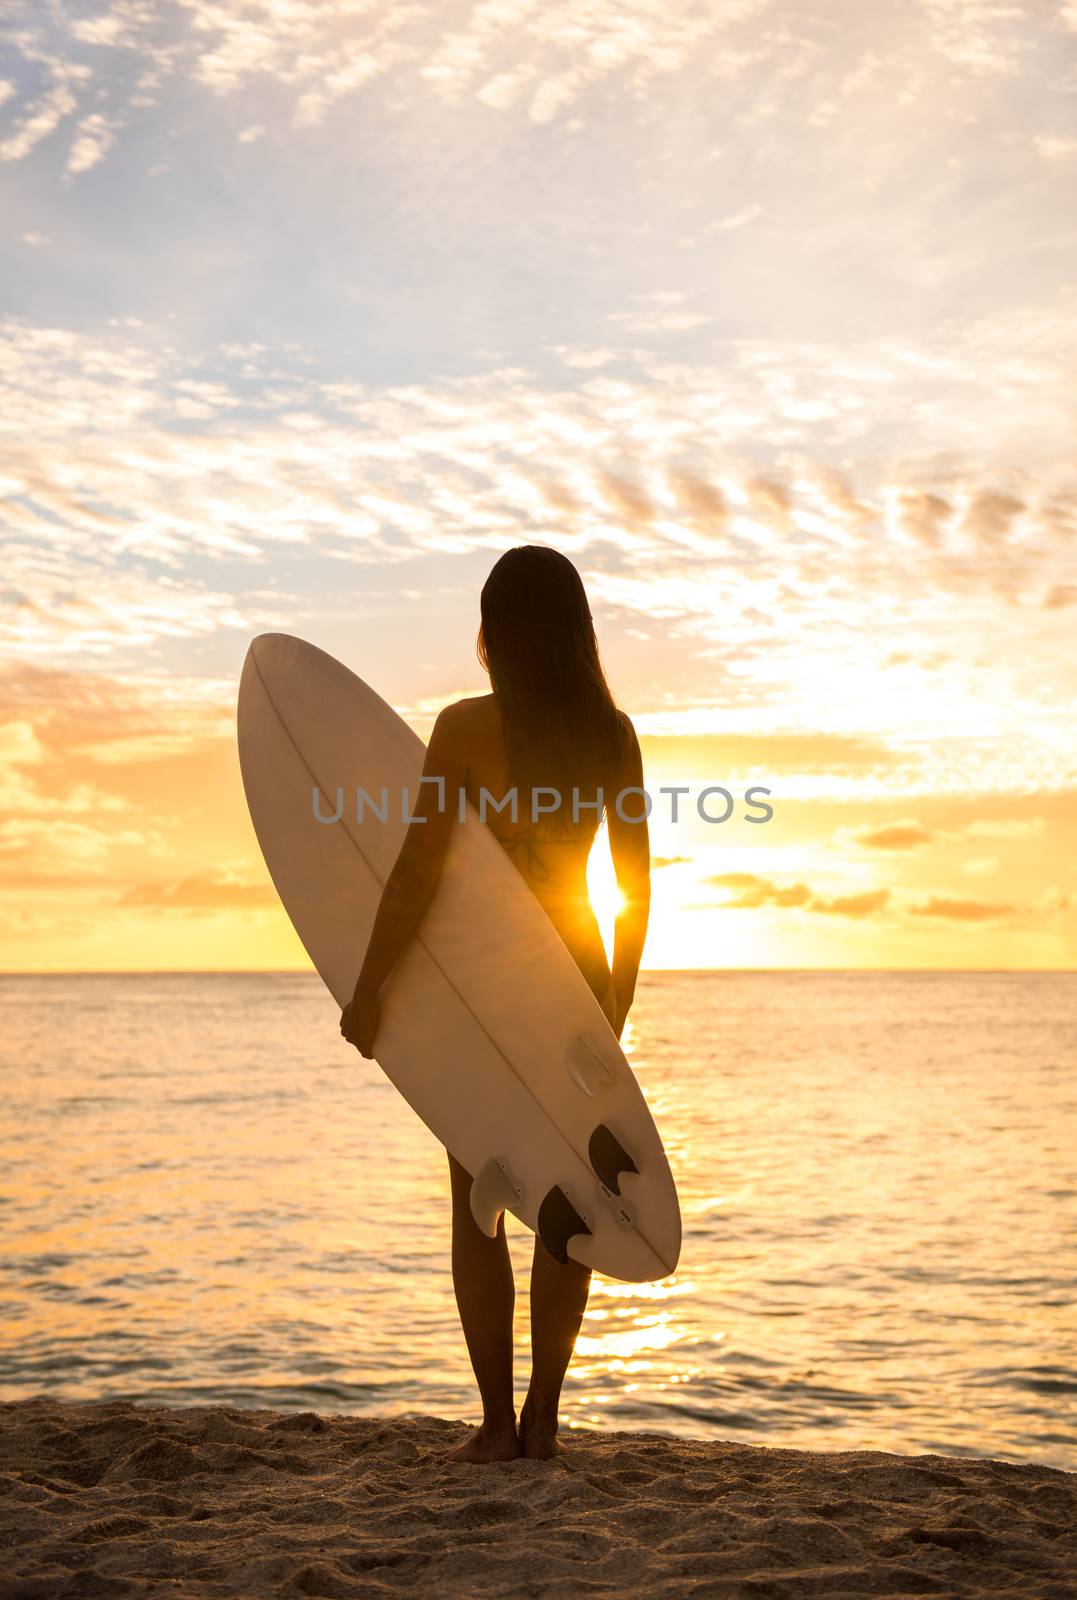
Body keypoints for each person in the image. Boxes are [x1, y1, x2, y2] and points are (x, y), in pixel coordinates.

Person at [340, 545, 650, 1461]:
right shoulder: (612, 734)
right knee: (567, 1212)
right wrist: (613, 1014)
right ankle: (545, 1421)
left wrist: (369, 988)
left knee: (477, 1201)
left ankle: (494, 1424)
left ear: (495, 631)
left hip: (486, 985)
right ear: (576, 631)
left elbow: (417, 875)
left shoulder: (467, 727)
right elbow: (633, 894)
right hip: (575, 980)